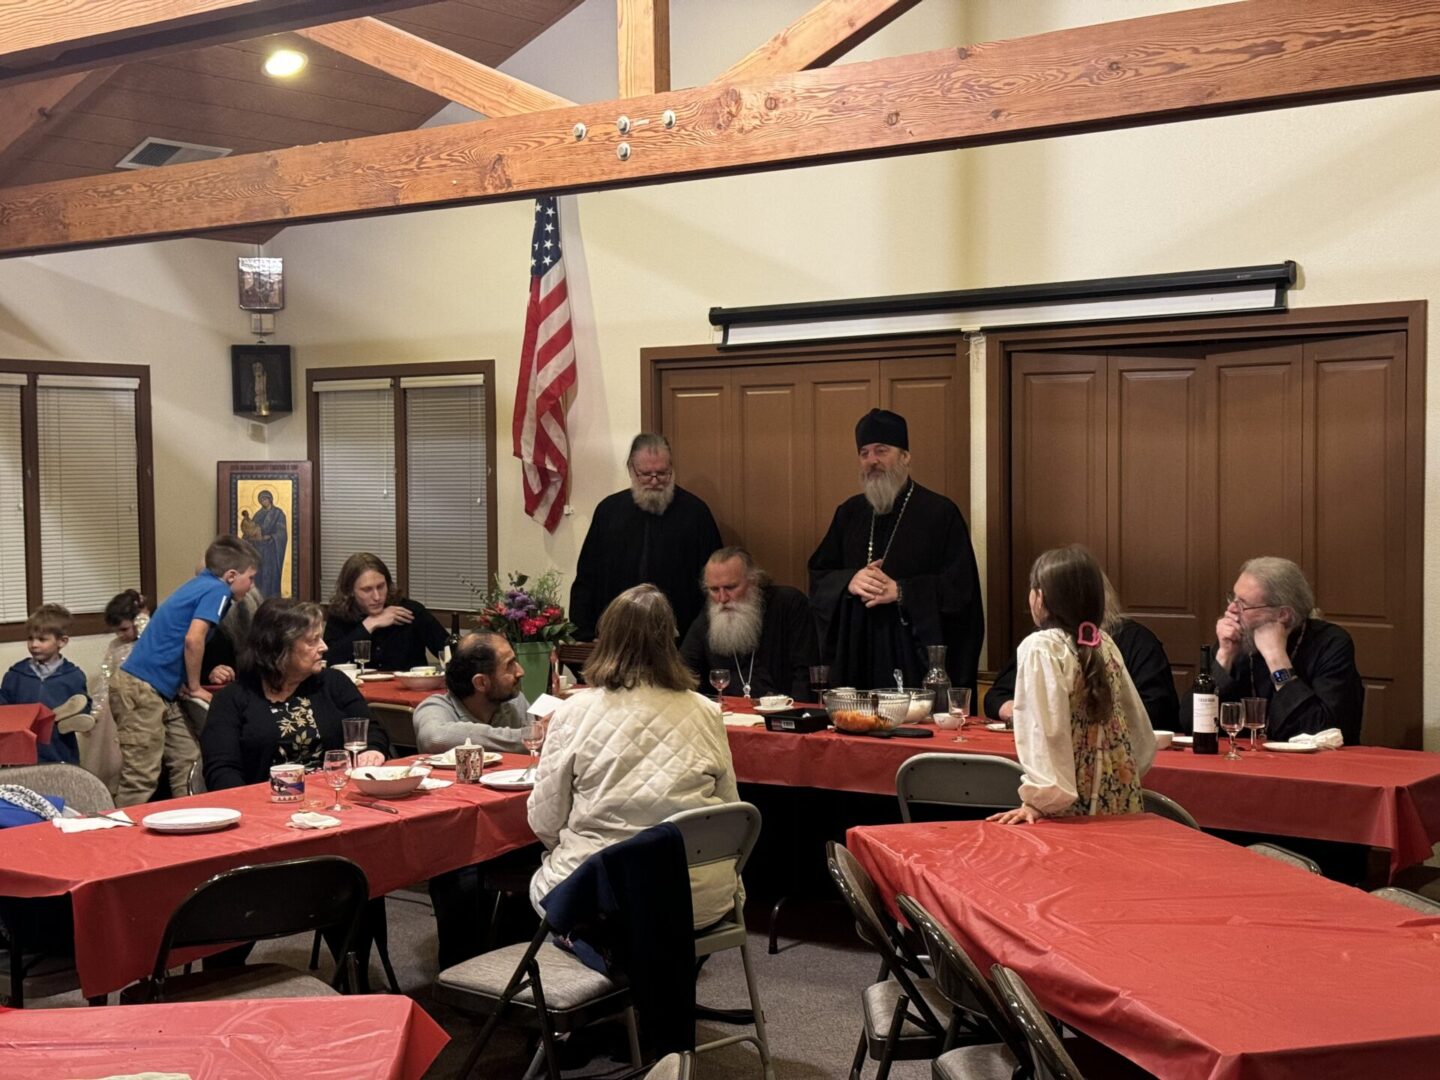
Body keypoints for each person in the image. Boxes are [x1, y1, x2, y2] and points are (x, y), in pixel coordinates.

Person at [528, 585, 740, 928]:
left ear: (605, 638)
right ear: (670, 639)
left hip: (598, 893)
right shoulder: (707, 712)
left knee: (546, 882)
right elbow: (730, 814)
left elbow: (545, 819)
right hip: (692, 898)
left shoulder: (574, 711)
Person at [808, 408, 984, 692]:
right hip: (858, 654)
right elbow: (819, 576)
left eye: (881, 450)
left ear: (905, 457)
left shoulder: (940, 513)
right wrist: (849, 581)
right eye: (864, 453)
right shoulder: (849, 513)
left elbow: (962, 592)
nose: (872, 461)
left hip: (913, 659)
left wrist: (903, 592)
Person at [989, 545, 1157, 825]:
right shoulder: (1104, 643)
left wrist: (1040, 800)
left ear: (1040, 598)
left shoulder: (1042, 648)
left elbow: (1045, 729)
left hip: (1070, 810)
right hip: (1118, 798)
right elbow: (1136, 728)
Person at [110, 535, 258, 807]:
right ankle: (118, 838)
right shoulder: (217, 591)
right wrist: (195, 686)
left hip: (162, 691)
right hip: (142, 688)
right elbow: (193, 639)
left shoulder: (202, 583)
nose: (252, 585)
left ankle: (187, 820)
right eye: (250, 578)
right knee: (142, 774)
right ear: (231, 575)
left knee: (188, 759)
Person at [201, 598, 389, 790]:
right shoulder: (232, 699)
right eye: (312, 640)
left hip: (336, 794)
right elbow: (221, 771)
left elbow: (371, 730)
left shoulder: (333, 683)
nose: (324, 647)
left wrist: (373, 750)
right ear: (280, 648)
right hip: (267, 805)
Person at [1182, 556, 1364, 744]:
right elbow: (1189, 724)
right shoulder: (1236, 642)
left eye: (1243, 604)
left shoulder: (1330, 644)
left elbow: (1324, 733)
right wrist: (1223, 658)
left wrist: (1277, 660)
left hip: (1307, 768)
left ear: (1283, 615)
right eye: (1232, 598)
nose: (1231, 609)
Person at [569, 434, 722, 641]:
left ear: (671, 469)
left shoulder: (695, 514)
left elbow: (713, 584)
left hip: (678, 640)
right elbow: (587, 578)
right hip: (616, 640)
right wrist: (584, 635)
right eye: (646, 474)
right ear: (631, 470)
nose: (654, 481)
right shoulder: (609, 512)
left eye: (662, 474)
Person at [985, 574, 1179, 731]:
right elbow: (997, 696)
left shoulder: (1134, 641)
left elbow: (1155, 712)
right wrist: (1015, 710)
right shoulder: (1043, 643)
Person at [680, 546, 820, 702]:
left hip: (783, 714)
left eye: (730, 587)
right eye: (713, 590)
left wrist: (794, 716)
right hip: (728, 718)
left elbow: (805, 673)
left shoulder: (788, 604)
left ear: (754, 581)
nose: (722, 598)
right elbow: (684, 671)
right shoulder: (709, 617)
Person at [323, 552, 447, 670]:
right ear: (350, 591)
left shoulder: (410, 611)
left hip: (411, 690)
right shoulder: (340, 616)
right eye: (367, 589)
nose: (377, 597)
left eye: (381, 586)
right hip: (359, 691)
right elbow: (327, 662)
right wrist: (368, 625)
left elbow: (451, 655)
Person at [414, 631, 529, 754]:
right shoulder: (436, 706)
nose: (520, 672)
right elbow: (435, 738)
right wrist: (526, 737)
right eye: (509, 665)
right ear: (481, 683)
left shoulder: (514, 702)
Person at [0, 604, 89, 764]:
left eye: (42, 639)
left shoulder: (73, 676)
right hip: (22, 752)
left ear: (62, 641)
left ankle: (59, 719)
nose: (34, 644)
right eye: (30, 638)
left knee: (59, 786)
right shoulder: (15, 675)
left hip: (58, 751)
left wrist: (84, 713)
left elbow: (84, 701)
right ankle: (48, 718)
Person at [84, 590, 150, 791]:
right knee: (114, 757)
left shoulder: (147, 641)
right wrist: (95, 711)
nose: (121, 635)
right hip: (116, 706)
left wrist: (142, 618)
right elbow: (105, 678)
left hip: (143, 704)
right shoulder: (115, 646)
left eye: (124, 629)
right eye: (117, 631)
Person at [251, 490, 288, 598]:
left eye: (265, 499)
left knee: (270, 574)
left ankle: (271, 597)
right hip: (259, 550)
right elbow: (251, 529)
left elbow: (282, 532)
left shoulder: (278, 513)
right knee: (260, 574)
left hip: (272, 550)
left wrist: (271, 536)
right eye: (261, 500)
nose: (264, 501)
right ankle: (258, 598)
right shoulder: (258, 515)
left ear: (270, 499)